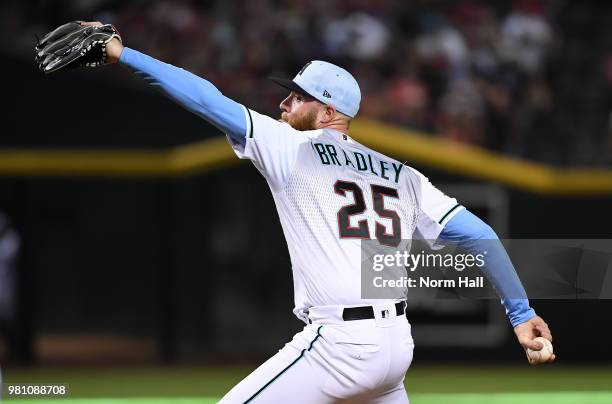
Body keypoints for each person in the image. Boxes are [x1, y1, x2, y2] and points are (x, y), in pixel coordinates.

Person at [86, 21, 554, 403]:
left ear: (329, 111)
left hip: (341, 345)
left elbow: (207, 99)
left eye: (298, 96)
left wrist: (124, 55)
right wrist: (521, 313)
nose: (285, 103)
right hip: (395, 348)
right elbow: (482, 236)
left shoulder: (290, 146)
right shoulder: (402, 173)